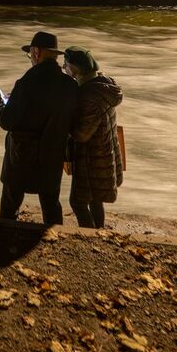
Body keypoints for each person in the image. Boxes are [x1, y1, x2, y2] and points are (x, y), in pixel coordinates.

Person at [0, 31, 78, 225]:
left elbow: (7, 121)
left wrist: (1, 104)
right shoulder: (69, 85)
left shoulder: (26, 82)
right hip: (52, 153)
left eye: (30, 54)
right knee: (50, 203)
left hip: (22, 155)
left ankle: (3, 232)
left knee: (11, 201)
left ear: (36, 52)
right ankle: (54, 234)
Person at [63, 46, 123, 229]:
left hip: (91, 159)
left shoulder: (89, 96)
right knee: (96, 200)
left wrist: (64, 123)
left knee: (78, 202)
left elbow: (82, 135)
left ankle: (90, 237)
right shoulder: (103, 85)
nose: (64, 69)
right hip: (105, 153)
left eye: (65, 65)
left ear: (75, 69)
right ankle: (99, 231)